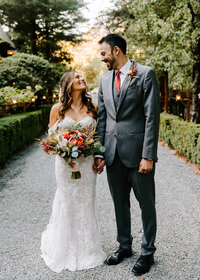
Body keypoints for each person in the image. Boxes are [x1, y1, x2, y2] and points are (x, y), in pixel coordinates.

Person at [92, 34, 160, 276]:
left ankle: (148, 252)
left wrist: (148, 155)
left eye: (103, 53)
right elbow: (103, 121)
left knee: (146, 204)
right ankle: (125, 246)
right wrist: (99, 153)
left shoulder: (145, 74)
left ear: (116, 50)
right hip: (113, 155)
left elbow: (152, 117)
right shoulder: (104, 81)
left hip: (138, 154)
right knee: (119, 204)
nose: (102, 58)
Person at [41, 72, 106, 273]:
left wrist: (98, 156)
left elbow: (97, 137)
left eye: (82, 77)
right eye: (77, 77)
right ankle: (64, 247)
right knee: (67, 200)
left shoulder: (92, 108)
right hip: (64, 164)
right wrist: (64, 153)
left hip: (86, 165)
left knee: (86, 200)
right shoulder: (57, 109)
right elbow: (51, 139)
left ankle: (88, 248)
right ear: (68, 84)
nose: (82, 79)